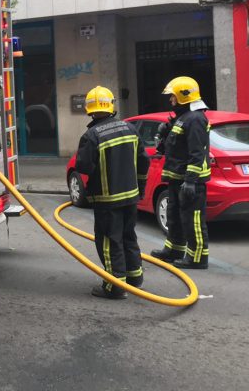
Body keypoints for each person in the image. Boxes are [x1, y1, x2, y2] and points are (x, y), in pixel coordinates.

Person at [76, 86, 150, 299]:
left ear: (90, 110)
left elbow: (83, 167)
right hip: (130, 196)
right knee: (129, 236)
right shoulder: (130, 129)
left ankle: (114, 286)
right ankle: (135, 279)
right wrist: (140, 189)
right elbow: (143, 161)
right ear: (111, 106)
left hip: (107, 200)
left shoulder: (91, 135)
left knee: (109, 241)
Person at [150, 76, 211, 269]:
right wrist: (165, 133)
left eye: (173, 97)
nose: (170, 100)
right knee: (174, 216)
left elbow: (196, 152)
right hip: (176, 178)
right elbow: (174, 148)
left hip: (190, 181)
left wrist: (191, 181)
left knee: (192, 220)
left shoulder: (195, 119)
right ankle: (174, 250)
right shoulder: (183, 118)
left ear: (183, 97)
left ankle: (197, 257)